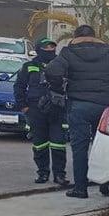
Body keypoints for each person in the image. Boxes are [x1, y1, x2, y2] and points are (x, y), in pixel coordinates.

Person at [45, 25, 109, 198]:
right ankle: (105, 186)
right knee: (104, 146)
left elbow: (52, 70)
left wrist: (59, 87)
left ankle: (80, 188)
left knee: (80, 148)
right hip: (103, 106)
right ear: (95, 36)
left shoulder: (68, 52)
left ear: (76, 36)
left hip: (78, 105)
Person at [14, 38, 70, 186]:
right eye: (47, 47)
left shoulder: (62, 64)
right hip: (36, 110)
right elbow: (19, 86)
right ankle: (43, 173)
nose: (50, 49)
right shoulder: (29, 66)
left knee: (58, 144)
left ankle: (59, 175)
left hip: (57, 110)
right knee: (40, 144)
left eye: (52, 46)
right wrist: (24, 106)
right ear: (39, 49)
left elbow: (70, 85)